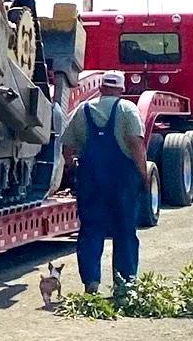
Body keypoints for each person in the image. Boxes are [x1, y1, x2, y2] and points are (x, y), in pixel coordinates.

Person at [60, 70, 148, 293]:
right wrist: (143, 176)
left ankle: (91, 284)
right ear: (121, 89)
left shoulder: (83, 110)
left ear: (100, 87)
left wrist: (71, 168)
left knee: (91, 230)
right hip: (123, 181)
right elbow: (136, 145)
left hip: (91, 181)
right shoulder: (127, 109)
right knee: (125, 231)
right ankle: (125, 285)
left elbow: (67, 148)